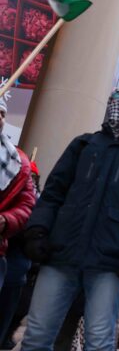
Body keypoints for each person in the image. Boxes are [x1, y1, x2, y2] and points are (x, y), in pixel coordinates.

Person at [20, 86, 119, 351]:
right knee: (37, 335)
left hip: (109, 262)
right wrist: (38, 229)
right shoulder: (83, 145)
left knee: (99, 341)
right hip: (61, 254)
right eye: (114, 99)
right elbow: (54, 192)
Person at [0, 96, 35, 289]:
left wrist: (7, 220)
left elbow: (27, 204)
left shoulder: (18, 162)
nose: (0, 118)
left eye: (3, 114)